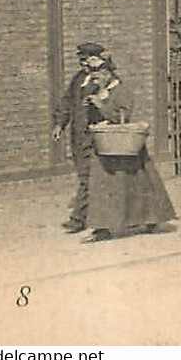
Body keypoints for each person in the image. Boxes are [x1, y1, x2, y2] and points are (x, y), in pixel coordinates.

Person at [82, 68, 177, 241]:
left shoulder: (122, 91)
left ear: (107, 74)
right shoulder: (102, 91)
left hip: (124, 144)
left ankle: (151, 218)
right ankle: (102, 227)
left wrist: (101, 105)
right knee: (105, 186)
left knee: (139, 183)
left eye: (97, 78)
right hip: (107, 145)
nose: (95, 82)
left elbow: (122, 117)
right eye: (93, 79)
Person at [52, 41, 113, 234]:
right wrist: (60, 123)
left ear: (97, 59)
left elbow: (113, 104)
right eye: (81, 60)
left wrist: (100, 94)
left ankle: (79, 219)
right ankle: (87, 217)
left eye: (87, 60)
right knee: (84, 176)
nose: (83, 64)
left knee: (89, 177)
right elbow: (67, 101)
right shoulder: (79, 79)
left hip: (94, 135)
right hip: (78, 135)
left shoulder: (104, 78)